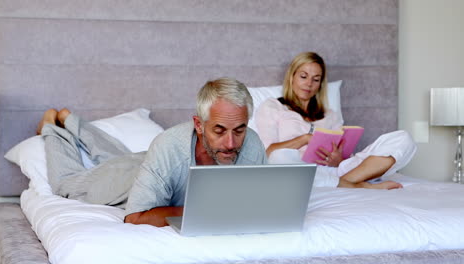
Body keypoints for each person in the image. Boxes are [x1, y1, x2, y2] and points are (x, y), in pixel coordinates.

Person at [38, 77, 267, 227]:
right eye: (219, 130)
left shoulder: (252, 144)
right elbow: (134, 217)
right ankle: (51, 127)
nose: (230, 143)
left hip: (150, 163)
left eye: (239, 130)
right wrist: (202, 212)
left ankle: (71, 120)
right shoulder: (168, 147)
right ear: (198, 124)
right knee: (67, 184)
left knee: (122, 158)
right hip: (130, 178)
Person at [255, 52, 417, 189]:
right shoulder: (273, 107)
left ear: (320, 84)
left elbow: (344, 152)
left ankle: (347, 182)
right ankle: (359, 186)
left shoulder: (329, 114)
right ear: (292, 77)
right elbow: (266, 153)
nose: (309, 84)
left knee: (403, 139)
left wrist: (339, 160)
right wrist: (304, 139)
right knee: (280, 158)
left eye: (316, 79)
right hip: (298, 170)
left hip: (335, 171)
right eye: (303, 76)